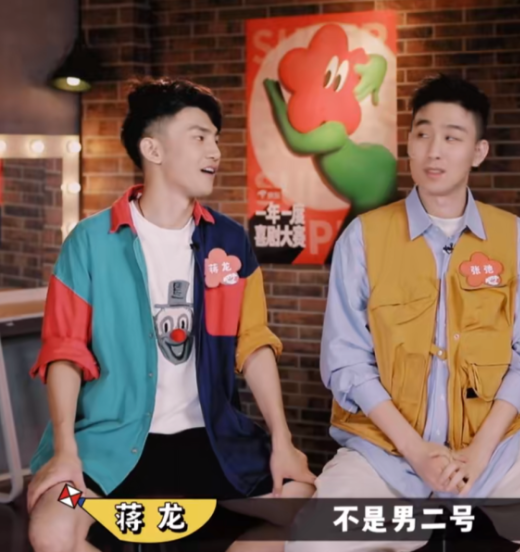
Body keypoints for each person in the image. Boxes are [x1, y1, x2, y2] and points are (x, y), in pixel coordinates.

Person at [290, 74, 520, 552]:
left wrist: (479, 451)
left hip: (495, 448)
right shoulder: (363, 238)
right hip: (387, 452)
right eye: (423, 134)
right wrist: (417, 451)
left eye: (452, 137)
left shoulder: (515, 239)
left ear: (478, 151)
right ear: (408, 143)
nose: (434, 151)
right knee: (313, 543)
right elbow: (346, 362)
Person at [25, 77, 316, 552]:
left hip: (210, 443)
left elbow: (254, 341)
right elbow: (64, 351)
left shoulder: (230, 241)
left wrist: (282, 440)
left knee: (305, 508)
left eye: (216, 139)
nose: (215, 151)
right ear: (153, 149)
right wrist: (65, 451)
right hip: (109, 448)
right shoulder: (90, 242)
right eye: (199, 137)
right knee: (54, 528)